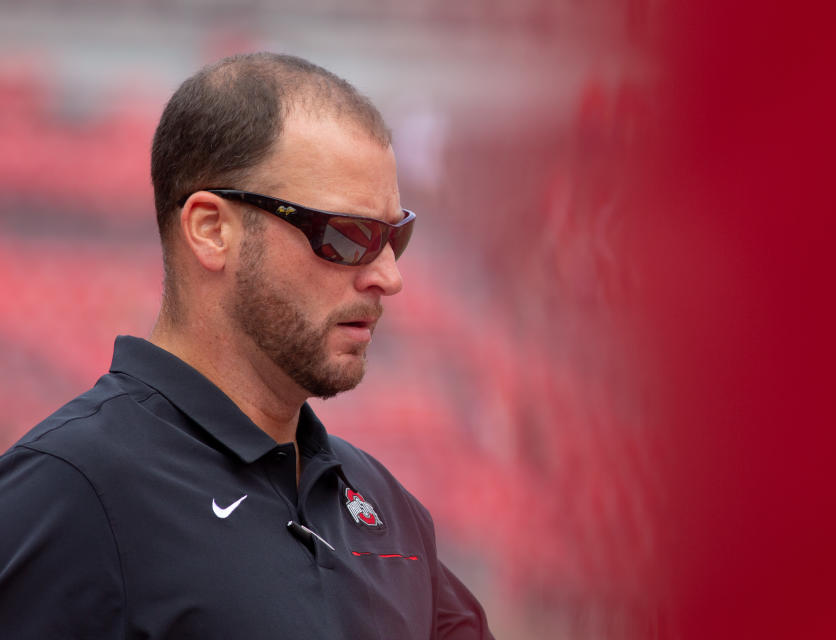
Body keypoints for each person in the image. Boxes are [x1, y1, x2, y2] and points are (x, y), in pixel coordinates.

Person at [0, 52, 493, 639]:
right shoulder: (67, 491)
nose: (388, 276)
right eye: (347, 235)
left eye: (395, 236)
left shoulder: (387, 509)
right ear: (212, 230)